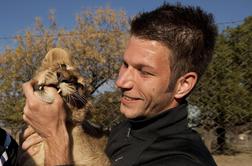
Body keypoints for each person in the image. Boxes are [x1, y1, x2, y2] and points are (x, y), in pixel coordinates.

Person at [22, 3, 218, 166]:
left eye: (145, 72)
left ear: (183, 84)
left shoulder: (181, 160)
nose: (121, 82)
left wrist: (54, 136)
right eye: (125, 65)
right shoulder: (126, 129)